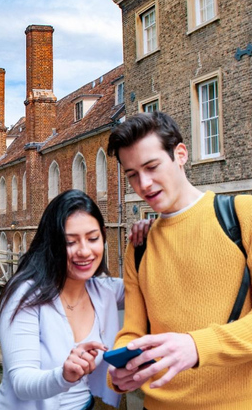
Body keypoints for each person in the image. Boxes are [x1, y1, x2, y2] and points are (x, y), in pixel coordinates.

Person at [106, 111, 252, 409]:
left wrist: (198, 346)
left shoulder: (242, 215)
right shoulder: (139, 245)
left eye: (152, 166)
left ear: (180, 154)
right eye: (132, 175)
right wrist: (119, 372)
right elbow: (133, 331)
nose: (144, 184)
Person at [0, 189, 124, 410]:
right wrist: (63, 375)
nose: (84, 251)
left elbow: (153, 287)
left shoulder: (105, 290)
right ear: (52, 244)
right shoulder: (25, 296)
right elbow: (21, 382)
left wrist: (145, 242)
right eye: (70, 242)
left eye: (93, 238)